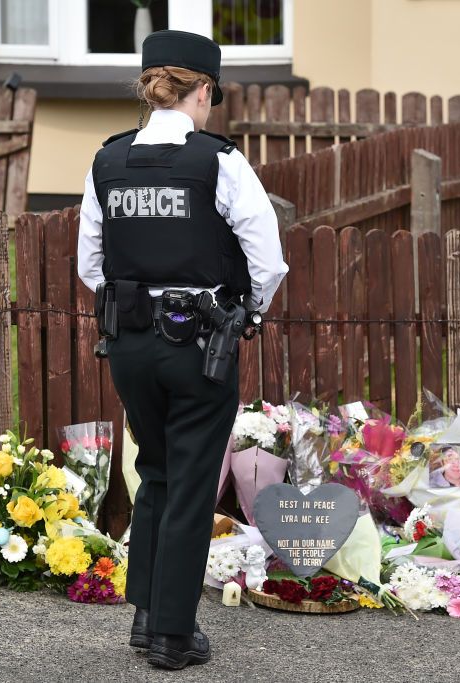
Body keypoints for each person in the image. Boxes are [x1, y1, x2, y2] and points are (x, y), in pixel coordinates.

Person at [76, 30, 288, 670]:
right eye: (210, 97)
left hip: (131, 345)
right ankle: (171, 635)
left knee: (157, 475)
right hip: (200, 345)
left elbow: (91, 264)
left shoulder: (106, 162)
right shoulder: (218, 162)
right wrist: (243, 314)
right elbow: (269, 261)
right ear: (201, 91)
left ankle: (145, 616)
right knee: (194, 483)